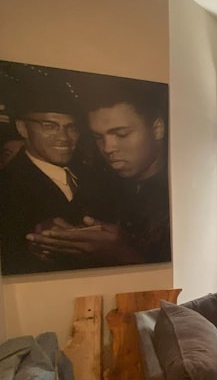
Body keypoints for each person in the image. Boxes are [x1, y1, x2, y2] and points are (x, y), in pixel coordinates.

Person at [25, 78, 171, 266]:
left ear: (157, 129)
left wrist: (121, 253)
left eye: (121, 134)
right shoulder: (96, 186)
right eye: (98, 137)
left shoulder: (186, 193)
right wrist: (52, 239)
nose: (108, 148)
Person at [0, 81, 102, 274]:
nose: (64, 137)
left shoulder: (95, 177)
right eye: (50, 126)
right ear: (22, 128)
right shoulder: (6, 186)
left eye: (72, 127)